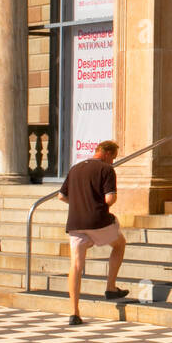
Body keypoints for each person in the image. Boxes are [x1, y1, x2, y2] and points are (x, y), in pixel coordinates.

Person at [59, 140, 127, 326]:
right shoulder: (106, 170)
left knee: (76, 265)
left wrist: (80, 204)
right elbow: (109, 199)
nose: (113, 162)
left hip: (75, 222)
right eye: (113, 157)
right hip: (97, 221)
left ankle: (74, 312)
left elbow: (61, 196)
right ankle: (111, 287)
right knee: (120, 244)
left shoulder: (75, 168)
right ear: (106, 153)